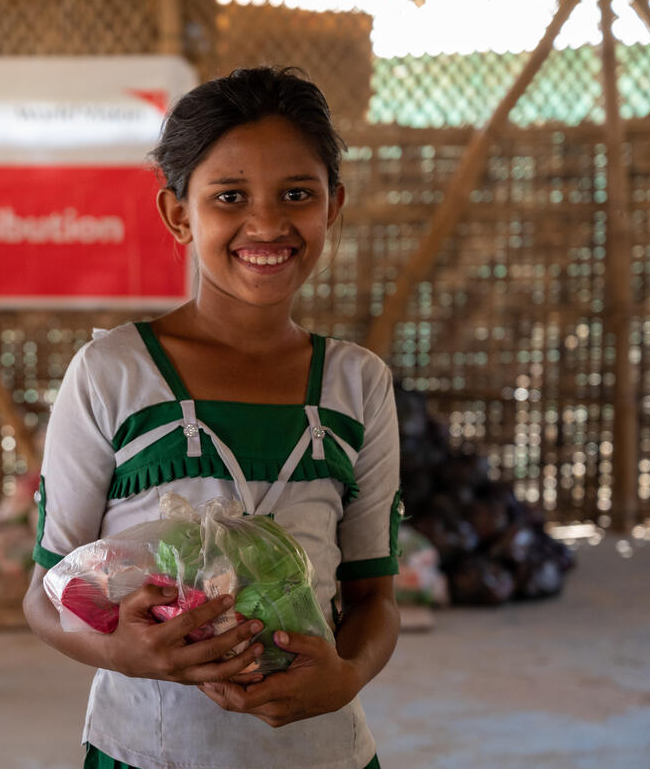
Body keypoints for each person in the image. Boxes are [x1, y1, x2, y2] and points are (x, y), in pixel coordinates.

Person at [23, 67, 402, 769]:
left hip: (324, 754)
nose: (266, 223)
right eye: (230, 197)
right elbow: (44, 598)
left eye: (298, 194)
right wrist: (119, 651)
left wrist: (346, 677)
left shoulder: (358, 384)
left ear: (333, 205)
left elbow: (374, 595)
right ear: (178, 213)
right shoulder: (114, 372)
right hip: (147, 751)